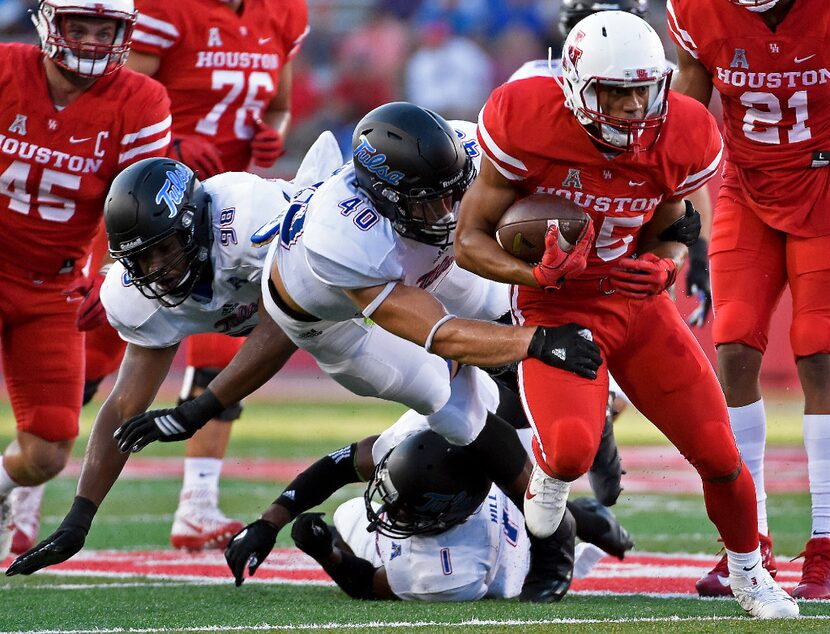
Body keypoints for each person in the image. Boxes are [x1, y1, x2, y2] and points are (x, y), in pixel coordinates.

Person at [101, 102, 605, 602]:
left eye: (450, 194)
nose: (448, 213)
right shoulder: (341, 241)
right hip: (336, 325)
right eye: (430, 202)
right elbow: (440, 334)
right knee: (457, 412)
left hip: (416, 256)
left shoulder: (458, 149)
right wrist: (535, 344)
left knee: (516, 323)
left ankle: (579, 435)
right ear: (382, 199)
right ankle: (557, 535)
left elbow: (524, 177)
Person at [453, 11, 798, 619]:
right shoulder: (526, 118)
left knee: (718, 453)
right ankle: (548, 476)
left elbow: (673, 228)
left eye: (644, 89)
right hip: (560, 307)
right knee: (570, 451)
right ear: (579, 86)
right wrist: (535, 274)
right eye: (616, 91)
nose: (635, 105)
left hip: (637, 306)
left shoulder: (683, 131)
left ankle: (751, 574)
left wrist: (665, 266)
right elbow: (469, 240)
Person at [4, 133, 340, 574]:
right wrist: (79, 519)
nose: (155, 270)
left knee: (411, 384)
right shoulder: (135, 294)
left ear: (194, 224)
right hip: (266, 308)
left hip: (328, 282)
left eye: (163, 249)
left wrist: (198, 409)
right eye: (140, 259)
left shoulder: (245, 222)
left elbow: (286, 324)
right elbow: (123, 406)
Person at [79, 0, 311, 551]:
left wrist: (271, 132)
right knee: (93, 368)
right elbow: (116, 108)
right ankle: (22, 486)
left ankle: (197, 503)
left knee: (220, 361)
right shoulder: (168, 9)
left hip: (219, 218)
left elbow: (276, 103)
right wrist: (173, 148)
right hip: (148, 216)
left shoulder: (283, 12)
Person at [667, 0, 830, 600]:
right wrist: (667, 208)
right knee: (733, 344)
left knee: (819, 351)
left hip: (825, 181)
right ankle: (748, 543)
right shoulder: (701, 10)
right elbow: (685, 112)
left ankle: (826, 545)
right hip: (745, 185)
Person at [0, 0, 172, 559]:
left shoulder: (141, 99)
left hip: (52, 286)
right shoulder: (5, 70)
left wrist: (115, 271)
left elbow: (139, 202)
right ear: (52, 23)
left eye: (108, 29)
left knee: (47, 452)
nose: (96, 41)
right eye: (83, 26)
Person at [224, 418, 634, 601]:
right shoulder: (426, 431)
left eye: (402, 510)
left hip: (505, 548)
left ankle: (578, 516)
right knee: (535, 482)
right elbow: (339, 465)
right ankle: (584, 516)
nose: (386, 512)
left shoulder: (451, 571)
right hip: (501, 498)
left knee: (348, 520)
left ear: (444, 516)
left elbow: (368, 585)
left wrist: (324, 552)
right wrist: (269, 521)